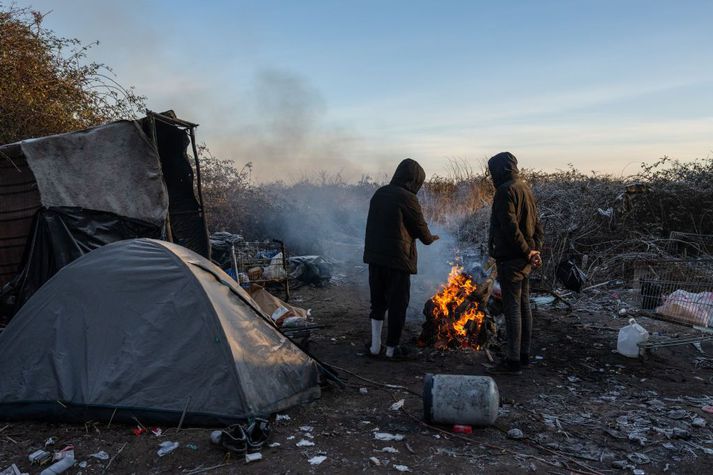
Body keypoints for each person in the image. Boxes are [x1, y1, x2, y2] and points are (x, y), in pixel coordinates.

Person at [363, 158, 439, 359]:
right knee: (398, 304)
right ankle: (391, 349)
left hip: (375, 258)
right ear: (414, 180)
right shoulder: (408, 198)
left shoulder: (379, 193)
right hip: (398, 260)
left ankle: (374, 346)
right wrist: (431, 238)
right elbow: (421, 230)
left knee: (378, 302)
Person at [486, 152, 544, 375]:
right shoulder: (525, 188)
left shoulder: (504, 191)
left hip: (512, 258)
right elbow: (537, 225)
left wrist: (528, 251)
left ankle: (513, 359)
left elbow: (510, 228)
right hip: (525, 257)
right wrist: (534, 250)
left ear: (499, 170)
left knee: (512, 308)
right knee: (523, 305)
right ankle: (524, 354)